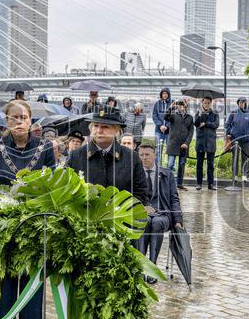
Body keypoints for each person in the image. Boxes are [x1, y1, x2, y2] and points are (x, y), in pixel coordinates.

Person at [0, 100, 56, 319]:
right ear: (7, 121)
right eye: (14, 117)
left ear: (31, 120)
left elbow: (52, 181)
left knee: (32, 294)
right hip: (4, 229)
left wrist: (33, 207)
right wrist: (4, 204)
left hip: (35, 228)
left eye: (24, 117)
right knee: (5, 293)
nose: (19, 121)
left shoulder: (45, 147)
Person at [66, 107, 148, 204]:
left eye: (105, 127)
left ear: (116, 130)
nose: (99, 131)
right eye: (96, 126)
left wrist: (123, 208)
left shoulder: (132, 158)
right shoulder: (75, 156)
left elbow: (140, 192)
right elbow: (66, 190)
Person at [136, 140, 183, 270]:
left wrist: (178, 220)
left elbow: (174, 199)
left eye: (147, 154)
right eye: (141, 155)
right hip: (142, 213)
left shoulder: (167, 174)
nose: (144, 158)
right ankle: (141, 265)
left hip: (163, 214)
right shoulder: (135, 174)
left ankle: (152, 266)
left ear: (155, 155)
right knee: (144, 221)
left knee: (157, 222)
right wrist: (141, 208)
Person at [164, 99, 194, 189]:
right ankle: (168, 183)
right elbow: (166, 117)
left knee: (181, 164)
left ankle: (179, 184)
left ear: (186, 106)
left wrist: (186, 143)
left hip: (183, 145)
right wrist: (170, 107)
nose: (181, 107)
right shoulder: (173, 115)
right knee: (170, 164)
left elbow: (191, 132)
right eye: (179, 105)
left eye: (182, 105)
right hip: (173, 143)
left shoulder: (190, 117)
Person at [226, 98, 249, 183]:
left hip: (246, 140)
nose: (242, 104)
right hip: (235, 140)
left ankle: (244, 175)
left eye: (243, 102)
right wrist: (231, 132)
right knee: (235, 157)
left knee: (245, 158)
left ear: (246, 103)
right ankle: (235, 175)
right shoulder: (233, 113)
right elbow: (227, 124)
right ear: (238, 103)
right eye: (240, 102)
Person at [194, 96, 219, 190]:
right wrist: (200, 115)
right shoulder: (198, 112)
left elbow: (215, 125)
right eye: (205, 103)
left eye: (208, 103)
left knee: (210, 165)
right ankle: (199, 183)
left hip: (211, 142)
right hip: (200, 141)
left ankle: (210, 184)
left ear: (211, 103)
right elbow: (196, 124)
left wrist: (205, 124)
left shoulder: (215, 113)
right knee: (199, 164)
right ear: (202, 103)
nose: (206, 104)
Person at [151, 87, 172, 164]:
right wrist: (160, 125)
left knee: (169, 149)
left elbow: (174, 117)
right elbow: (154, 115)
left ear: (168, 94)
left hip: (169, 131)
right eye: (163, 93)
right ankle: (158, 166)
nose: (165, 95)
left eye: (166, 93)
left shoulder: (172, 104)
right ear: (161, 94)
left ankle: (169, 167)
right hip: (158, 130)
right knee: (158, 149)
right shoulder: (157, 103)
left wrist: (167, 126)